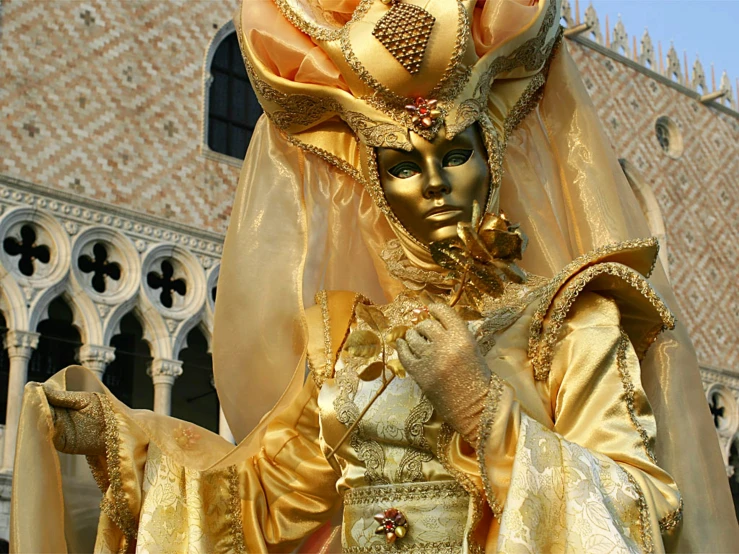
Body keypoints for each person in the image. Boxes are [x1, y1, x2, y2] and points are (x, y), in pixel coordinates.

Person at [10, 1, 739, 552]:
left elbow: (638, 508)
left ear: (490, 154)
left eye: (452, 153)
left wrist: (482, 410)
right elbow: (257, 501)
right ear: (374, 182)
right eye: (400, 165)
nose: (433, 185)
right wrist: (121, 442)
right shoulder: (347, 339)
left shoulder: (570, 321)